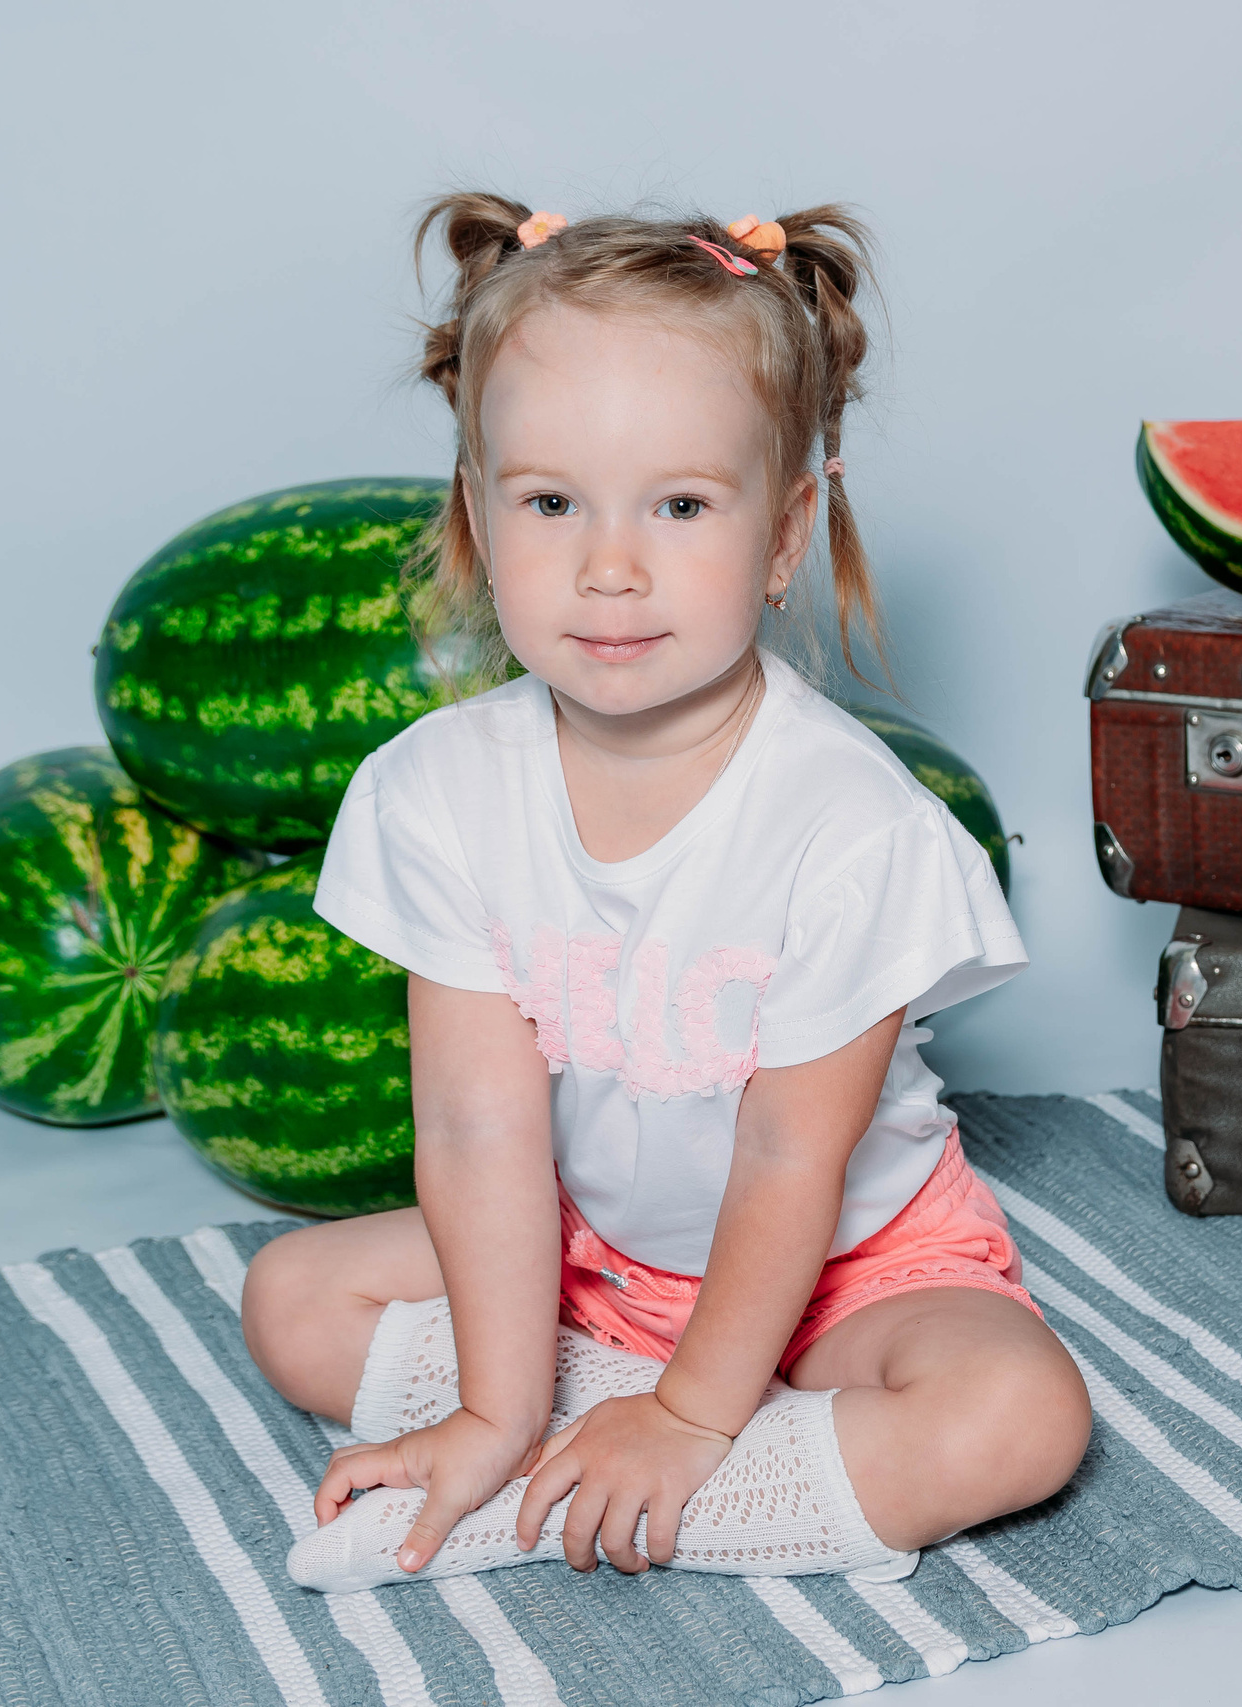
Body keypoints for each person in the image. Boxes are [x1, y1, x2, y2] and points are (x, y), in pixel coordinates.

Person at [240, 197, 1090, 1593]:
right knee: (290, 1300)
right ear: (476, 516)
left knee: (1018, 1417)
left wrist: (695, 1410)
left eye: (681, 506)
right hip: (594, 1258)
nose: (610, 567)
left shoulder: (852, 827)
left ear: (783, 535)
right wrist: (492, 1405)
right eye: (550, 503)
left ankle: (621, 1470)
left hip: (852, 1267)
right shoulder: (436, 790)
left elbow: (789, 1160)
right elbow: (476, 1129)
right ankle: (577, 1449)